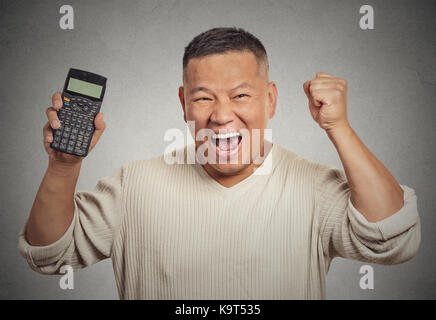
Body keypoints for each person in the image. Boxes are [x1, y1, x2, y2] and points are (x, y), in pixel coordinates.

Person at [18, 27, 420, 299]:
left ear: (271, 100)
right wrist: (64, 165)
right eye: (204, 97)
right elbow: (49, 252)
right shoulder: (132, 185)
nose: (222, 115)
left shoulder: (313, 187)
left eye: (241, 95)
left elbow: (393, 239)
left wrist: (339, 128)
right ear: (183, 103)